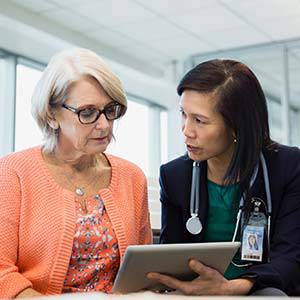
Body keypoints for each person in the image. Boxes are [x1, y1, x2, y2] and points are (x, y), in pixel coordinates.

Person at [0, 48, 152, 298]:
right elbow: (2, 274)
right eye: (87, 112)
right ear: (51, 115)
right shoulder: (12, 174)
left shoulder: (132, 177)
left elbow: (143, 270)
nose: (104, 125)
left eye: (110, 110)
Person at [147, 59, 300, 296]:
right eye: (183, 115)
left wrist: (233, 287)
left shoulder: (288, 167)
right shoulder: (175, 176)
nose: (187, 130)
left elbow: (291, 259)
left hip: (259, 288)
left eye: (199, 120)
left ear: (236, 126)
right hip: (199, 291)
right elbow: (171, 256)